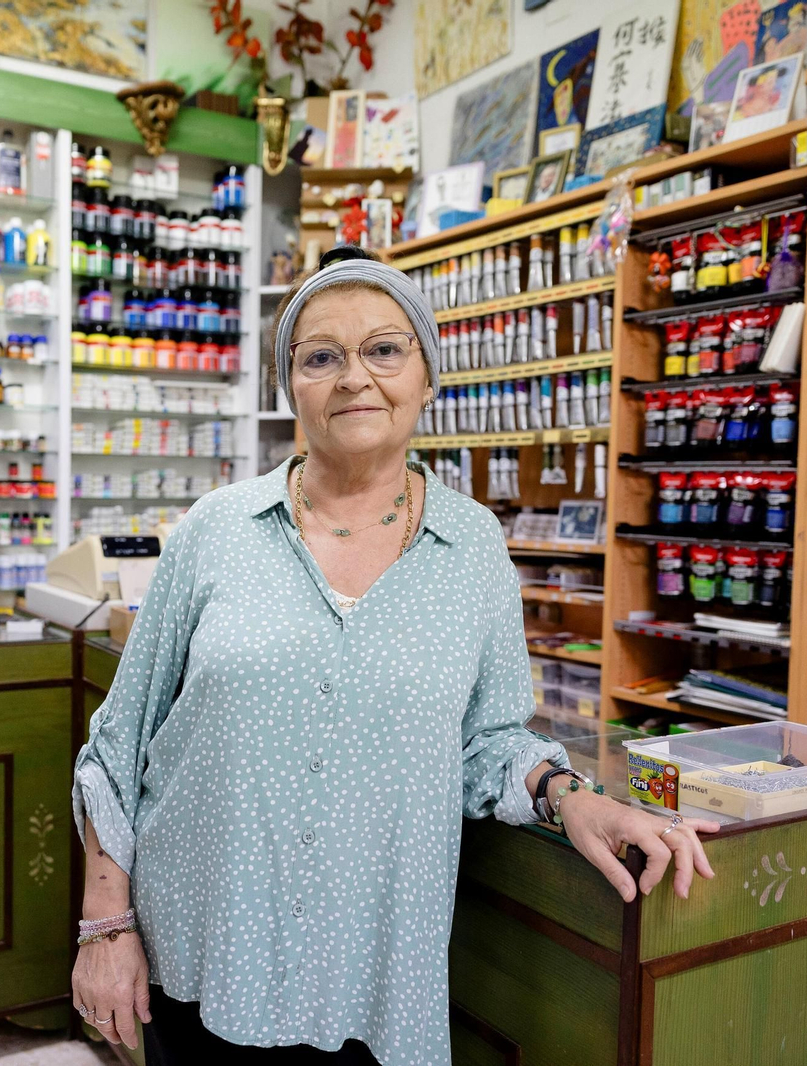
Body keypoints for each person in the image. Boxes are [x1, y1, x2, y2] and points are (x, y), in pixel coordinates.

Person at [70, 247, 717, 1064]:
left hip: (373, 972)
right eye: (320, 357)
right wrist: (106, 926)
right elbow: (119, 743)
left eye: (384, 349)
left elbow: (488, 739)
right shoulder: (216, 530)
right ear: (290, 385)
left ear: (427, 375)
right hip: (206, 951)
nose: (354, 378)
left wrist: (571, 796)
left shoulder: (473, 545)